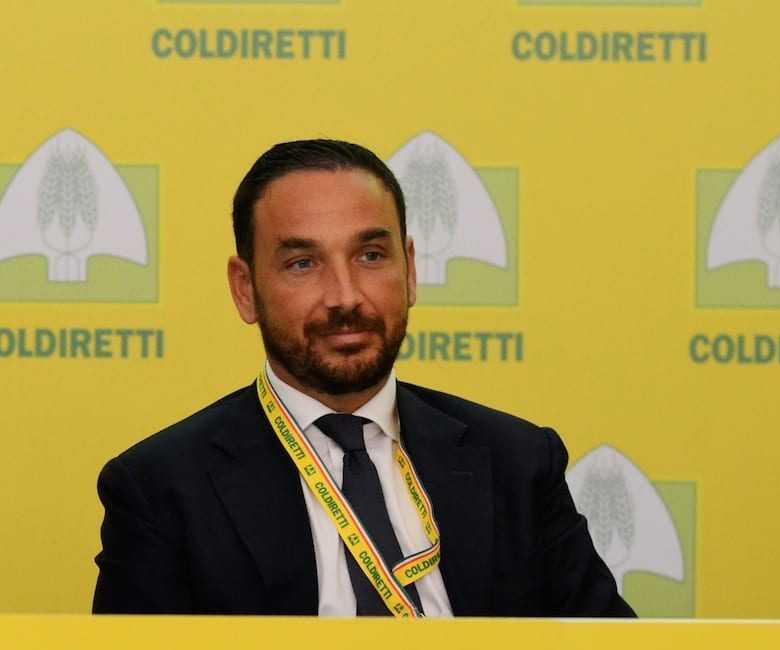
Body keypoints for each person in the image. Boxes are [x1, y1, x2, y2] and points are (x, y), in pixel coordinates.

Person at [92, 139, 634, 618]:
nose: (346, 297)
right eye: (303, 263)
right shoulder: (161, 488)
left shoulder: (516, 462)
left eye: (371, 256)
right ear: (245, 289)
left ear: (411, 269)